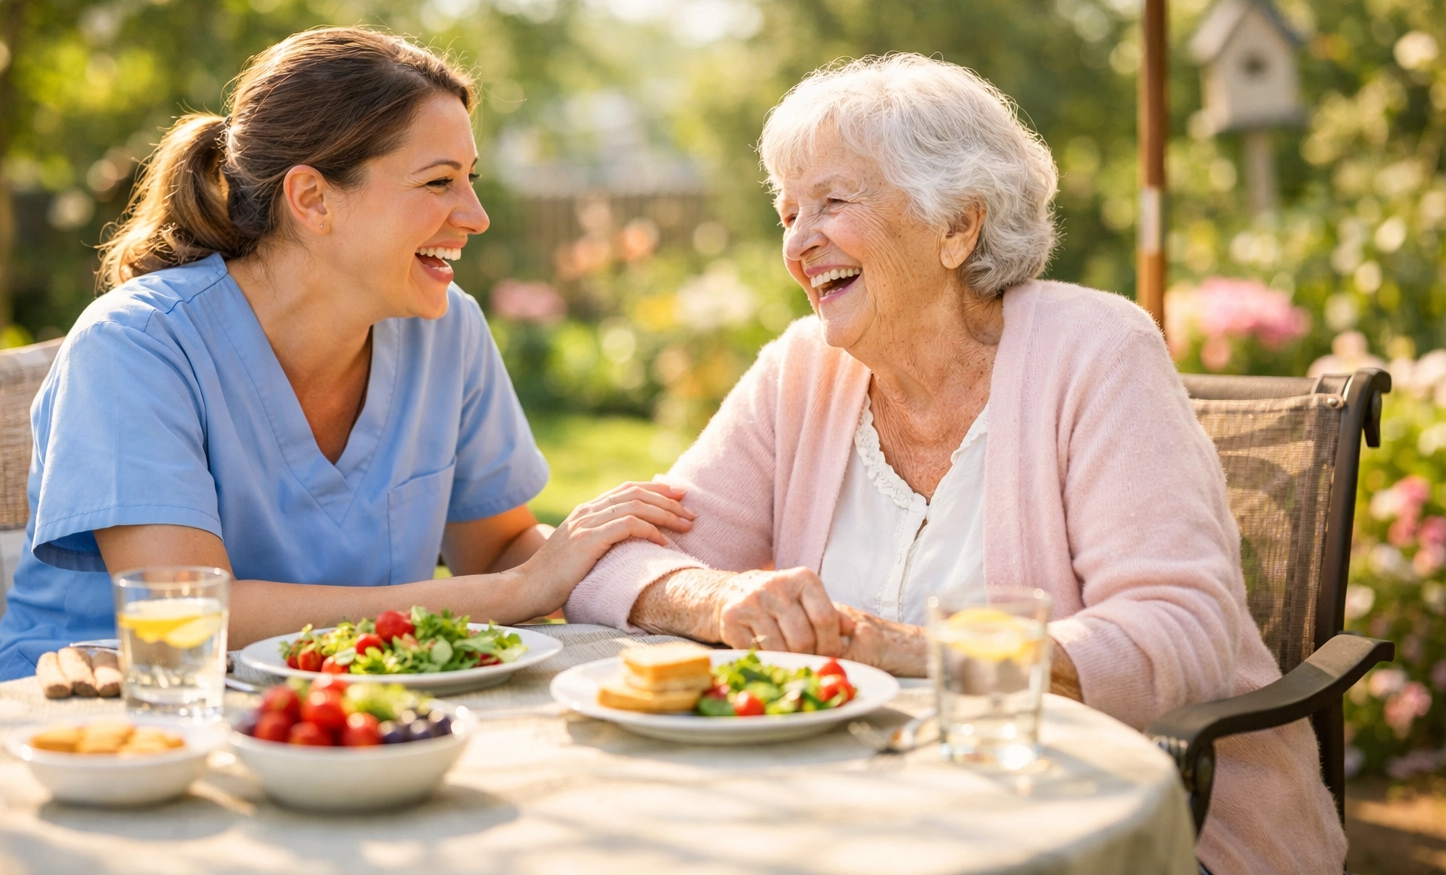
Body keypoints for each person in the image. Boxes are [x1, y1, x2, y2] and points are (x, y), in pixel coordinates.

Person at [565, 54, 1345, 875]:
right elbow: (607, 559)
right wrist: (718, 598)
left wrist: (909, 650)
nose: (798, 242)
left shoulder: (1099, 352)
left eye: (832, 202)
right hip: (848, 817)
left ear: (957, 226)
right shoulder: (801, 371)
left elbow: (1177, 632)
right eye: (789, 213)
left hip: (1122, 823)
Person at [0, 28, 692, 686]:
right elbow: (192, 612)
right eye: (439, 181)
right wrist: (509, 596)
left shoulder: (447, 330)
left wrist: (666, 584)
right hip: (97, 719)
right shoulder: (136, 347)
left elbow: (503, 554)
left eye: (472, 178)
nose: (475, 215)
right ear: (313, 199)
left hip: (338, 715)